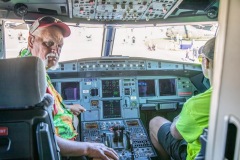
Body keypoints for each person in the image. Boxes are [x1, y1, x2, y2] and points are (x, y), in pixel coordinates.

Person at [19, 16, 119, 160]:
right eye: (49, 43)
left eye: (59, 45)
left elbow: (42, 109)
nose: (55, 50)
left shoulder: (34, 66)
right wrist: (88, 148)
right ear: (31, 41)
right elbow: (44, 137)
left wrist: (67, 108)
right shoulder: (29, 78)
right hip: (57, 151)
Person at [149, 37, 215, 160]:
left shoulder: (195, 105)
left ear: (206, 62)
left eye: (201, 59)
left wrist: (178, 118)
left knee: (155, 122)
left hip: (197, 155)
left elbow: (175, 134)